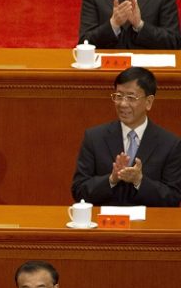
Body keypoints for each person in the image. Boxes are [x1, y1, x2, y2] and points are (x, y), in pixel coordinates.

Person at [72, 67, 181, 206]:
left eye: (131, 97)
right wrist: (111, 179)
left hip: (148, 219)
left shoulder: (170, 144)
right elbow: (79, 191)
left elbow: (173, 197)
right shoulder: (94, 138)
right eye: (119, 96)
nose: (123, 104)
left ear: (148, 102)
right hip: (105, 218)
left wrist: (139, 180)